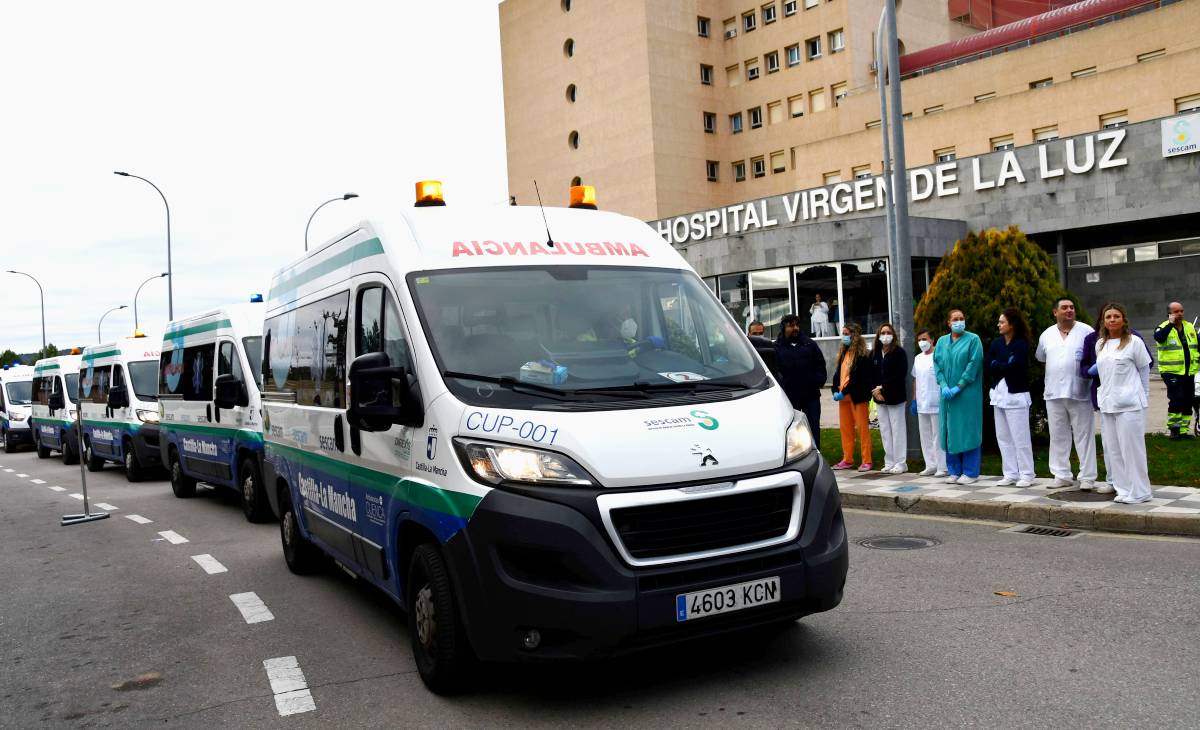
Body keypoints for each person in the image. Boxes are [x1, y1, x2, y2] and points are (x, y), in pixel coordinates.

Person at [1079, 311, 1152, 495]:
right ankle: (1123, 490)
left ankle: (1140, 492)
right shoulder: (1100, 344)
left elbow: (1144, 371)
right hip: (1107, 403)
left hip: (1130, 404)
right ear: (1103, 321)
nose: (1112, 320)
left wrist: (1144, 397)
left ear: (1123, 320)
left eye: (1116, 316)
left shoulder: (1134, 342)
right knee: (1114, 451)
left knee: (1132, 451)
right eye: (1108, 317)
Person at [1035, 297, 1097, 489]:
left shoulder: (1087, 331)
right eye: (1064, 308)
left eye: (1071, 307)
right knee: (1058, 435)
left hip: (1079, 391)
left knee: (1083, 435)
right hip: (1054, 393)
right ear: (1055, 312)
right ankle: (1061, 475)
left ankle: (1087, 477)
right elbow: (1042, 358)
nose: (1069, 310)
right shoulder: (1047, 334)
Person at [934, 308, 984, 484]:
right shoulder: (941, 342)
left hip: (967, 394)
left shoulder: (973, 340)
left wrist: (959, 386)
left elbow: (973, 365)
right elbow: (937, 365)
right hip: (947, 395)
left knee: (968, 430)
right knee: (950, 430)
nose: (959, 321)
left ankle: (970, 472)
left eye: (962, 318)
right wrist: (944, 385)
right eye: (955, 319)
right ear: (948, 322)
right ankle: (954, 470)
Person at [987, 309, 1035, 487]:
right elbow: (988, 364)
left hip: (1016, 395)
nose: (999, 325)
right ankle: (1010, 473)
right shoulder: (996, 343)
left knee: (1020, 437)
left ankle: (1027, 474)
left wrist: (999, 365)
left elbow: (1015, 366)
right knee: (1003, 436)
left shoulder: (1021, 344)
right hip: (998, 395)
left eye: (1002, 322)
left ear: (1012, 324)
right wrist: (1002, 365)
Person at [775, 314, 827, 452]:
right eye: (791, 325)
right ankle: (796, 456)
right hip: (790, 397)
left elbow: (820, 364)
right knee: (793, 430)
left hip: (811, 396)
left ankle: (816, 454)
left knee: (813, 426)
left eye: (797, 325)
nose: (795, 328)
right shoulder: (777, 347)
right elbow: (775, 371)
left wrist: (818, 381)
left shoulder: (809, 344)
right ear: (784, 327)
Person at [831, 323, 874, 471]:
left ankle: (866, 460)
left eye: (846, 333)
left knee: (862, 429)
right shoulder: (844, 352)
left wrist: (845, 391)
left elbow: (858, 378)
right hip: (843, 398)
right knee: (846, 429)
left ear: (854, 335)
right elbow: (838, 375)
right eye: (843, 333)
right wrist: (834, 391)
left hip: (857, 396)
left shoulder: (862, 355)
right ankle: (847, 459)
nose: (844, 336)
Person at [1153, 301, 1198, 440]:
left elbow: (1197, 344)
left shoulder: (1189, 326)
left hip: (1188, 371)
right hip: (1171, 371)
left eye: (1181, 311)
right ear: (1169, 314)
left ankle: (1184, 431)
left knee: (1188, 400)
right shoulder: (1162, 328)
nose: (1180, 314)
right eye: (1176, 311)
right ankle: (1174, 429)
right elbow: (1159, 339)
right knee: (1177, 398)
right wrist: (1171, 324)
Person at [871, 323, 908, 474]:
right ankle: (889, 461)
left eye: (888, 332)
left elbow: (900, 375)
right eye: (883, 332)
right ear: (879, 336)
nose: (886, 335)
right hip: (879, 398)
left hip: (895, 397)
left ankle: (900, 463)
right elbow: (870, 374)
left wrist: (882, 388)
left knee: (897, 429)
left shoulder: (899, 352)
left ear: (893, 335)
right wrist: (874, 390)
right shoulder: (874, 353)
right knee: (885, 430)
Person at [910, 329, 947, 477]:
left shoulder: (938, 356)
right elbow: (916, 379)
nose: (922, 343)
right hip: (921, 402)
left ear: (932, 340)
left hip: (936, 402)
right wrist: (914, 399)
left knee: (937, 436)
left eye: (924, 339)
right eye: (919, 340)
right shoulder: (918, 358)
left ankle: (942, 466)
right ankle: (930, 464)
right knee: (925, 436)